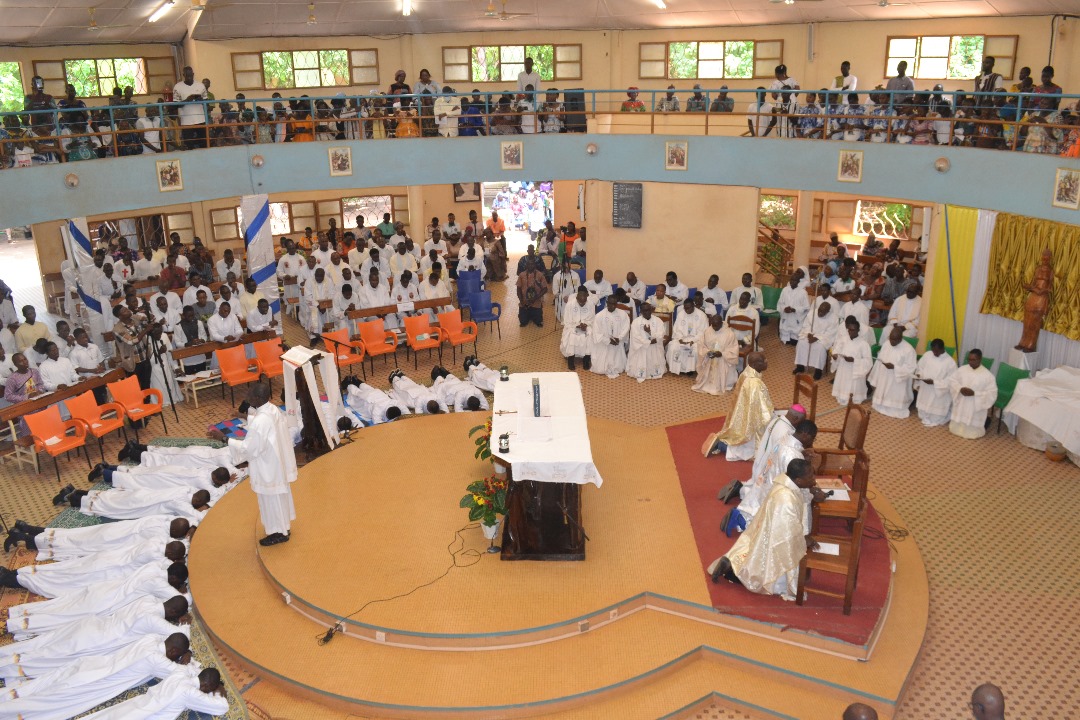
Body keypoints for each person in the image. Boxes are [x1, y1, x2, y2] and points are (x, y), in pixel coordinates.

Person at [0, 594, 188, 684]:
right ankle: (6, 666)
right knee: (44, 656)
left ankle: (5, 654)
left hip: (93, 624)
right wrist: (184, 622)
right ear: (172, 612)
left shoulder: (148, 599)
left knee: (41, 643)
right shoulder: (155, 621)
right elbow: (181, 636)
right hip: (96, 640)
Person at [0, 633, 193, 719]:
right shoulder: (156, 660)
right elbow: (182, 673)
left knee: (43, 684)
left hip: (90, 665)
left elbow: (166, 638)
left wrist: (180, 651)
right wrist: (186, 660)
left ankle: (8, 696)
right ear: (174, 650)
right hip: (90, 683)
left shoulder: (150, 639)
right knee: (45, 703)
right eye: (176, 654)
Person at [708, 458, 821, 601]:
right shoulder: (786, 500)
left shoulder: (786, 484)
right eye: (810, 476)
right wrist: (804, 539)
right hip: (776, 539)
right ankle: (733, 573)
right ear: (798, 480)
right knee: (769, 579)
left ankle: (732, 563)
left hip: (769, 532)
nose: (814, 479)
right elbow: (788, 533)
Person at [6, 560, 189, 639]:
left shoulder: (155, 567)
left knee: (60, 605)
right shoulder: (158, 584)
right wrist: (183, 591)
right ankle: (14, 624)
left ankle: (11, 584)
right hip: (103, 603)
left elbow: (169, 566)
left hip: (103, 589)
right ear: (172, 579)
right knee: (60, 616)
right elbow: (181, 600)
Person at [211, 382, 297, 545]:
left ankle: (277, 533)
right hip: (276, 462)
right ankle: (284, 527)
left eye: (250, 395)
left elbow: (248, 448)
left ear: (258, 398)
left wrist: (224, 438)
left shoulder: (260, 421)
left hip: (267, 467)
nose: (246, 397)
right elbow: (259, 421)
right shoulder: (273, 409)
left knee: (271, 500)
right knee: (278, 498)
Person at [702, 352, 773, 459]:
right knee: (752, 449)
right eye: (763, 360)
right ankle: (721, 445)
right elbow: (763, 413)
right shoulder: (755, 384)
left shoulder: (746, 372)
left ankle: (722, 441)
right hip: (750, 422)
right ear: (754, 364)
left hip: (742, 415)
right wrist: (772, 414)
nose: (766, 361)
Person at [868, 325, 918, 418]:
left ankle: (895, 409)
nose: (892, 342)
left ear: (900, 338)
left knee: (895, 397)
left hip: (898, 379)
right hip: (885, 375)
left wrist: (895, 368)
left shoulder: (908, 350)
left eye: (894, 340)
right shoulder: (887, 344)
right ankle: (881, 404)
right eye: (891, 339)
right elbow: (881, 358)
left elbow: (911, 368)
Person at [948, 349, 997, 439]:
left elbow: (992, 394)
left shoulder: (988, 375)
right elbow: (952, 380)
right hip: (962, 401)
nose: (970, 362)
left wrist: (975, 393)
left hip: (975, 404)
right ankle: (957, 428)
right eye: (969, 359)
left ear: (980, 359)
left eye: (973, 360)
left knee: (972, 432)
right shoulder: (962, 369)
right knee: (956, 426)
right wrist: (960, 389)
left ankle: (973, 430)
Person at [691, 314, 739, 395]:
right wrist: (707, 352)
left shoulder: (729, 334)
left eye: (716, 326)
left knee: (719, 363)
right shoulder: (708, 331)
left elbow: (733, 351)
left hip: (724, 359)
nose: (714, 328)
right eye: (713, 325)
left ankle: (722, 383)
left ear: (721, 323)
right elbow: (701, 345)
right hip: (709, 358)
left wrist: (722, 354)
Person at [915, 339, 957, 427]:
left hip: (939, 391)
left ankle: (936, 418)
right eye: (933, 350)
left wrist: (935, 382)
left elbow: (951, 381)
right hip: (925, 387)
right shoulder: (927, 355)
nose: (934, 353)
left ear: (942, 349)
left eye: (936, 351)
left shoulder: (950, 362)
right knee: (922, 413)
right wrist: (919, 375)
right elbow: (920, 367)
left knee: (936, 417)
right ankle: (924, 415)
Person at [830, 319, 873, 406]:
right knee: (843, 385)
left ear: (858, 330)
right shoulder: (843, 340)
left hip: (855, 370)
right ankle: (842, 396)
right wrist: (835, 356)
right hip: (843, 368)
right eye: (849, 329)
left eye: (853, 330)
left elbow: (868, 361)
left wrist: (854, 360)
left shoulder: (863, 344)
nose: (850, 332)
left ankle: (855, 398)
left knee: (853, 392)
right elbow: (837, 351)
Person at [793, 301, 838, 381]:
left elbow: (830, 333)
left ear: (827, 312)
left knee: (820, 348)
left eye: (822, 312)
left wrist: (817, 337)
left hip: (822, 340)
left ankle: (818, 371)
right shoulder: (812, 314)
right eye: (819, 310)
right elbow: (806, 325)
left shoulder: (833, 318)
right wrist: (808, 334)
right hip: (810, 335)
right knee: (801, 343)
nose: (819, 313)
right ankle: (800, 367)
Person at [589, 295, 630, 379]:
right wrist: (608, 340)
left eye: (614, 304)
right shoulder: (599, 316)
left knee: (619, 367)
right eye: (610, 304)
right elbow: (596, 333)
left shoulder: (623, 314)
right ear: (607, 303)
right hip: (604, 344)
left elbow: (626, 327)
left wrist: (620, 338)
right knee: (600, 369)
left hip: (618, 342)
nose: (612, 306)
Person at [627, 302, 666, 382]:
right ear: (641, 312)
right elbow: (635, 337)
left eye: (648, 310)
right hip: (641, 348)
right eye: (644, 311)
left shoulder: (658, 321)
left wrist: (650, 333)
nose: (647, 312)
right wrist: (648, 342)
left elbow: (661, 333)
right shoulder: (636, 322)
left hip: (655, 347)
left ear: (651, 310)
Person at [668, 298, 707, 375]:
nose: (686, 310)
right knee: (672, 347)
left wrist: (693, 341)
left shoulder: (701, 315)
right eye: (685, 308)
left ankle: (690, 369)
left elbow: (703, 332)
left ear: (693, 306)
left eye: (688, 308)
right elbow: (676, 329)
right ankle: (677, 368)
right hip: (682, 338)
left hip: (695, 340)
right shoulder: (681, 314)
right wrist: (680, 339)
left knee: (695, 350)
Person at [560, 287, 595, 370]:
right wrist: (577, 325)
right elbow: (567, 321)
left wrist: (585, 325)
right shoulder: (570, 304)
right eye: (580, 302)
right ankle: (570, 359)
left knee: (589, 334)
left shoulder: (591, 304)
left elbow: (592, 319)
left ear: (587, 298)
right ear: (576, 298)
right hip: (572, 326)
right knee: (572, 335)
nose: (582, 304)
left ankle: (586, 359)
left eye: (584, 302)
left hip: (586, 326)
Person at [777, 274, 809, 345]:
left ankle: (794, 339)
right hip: (786, 316)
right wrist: (784, 308)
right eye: (791, 280)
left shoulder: (803, 292)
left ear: (798, 281)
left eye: (795, 280)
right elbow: (780, 303)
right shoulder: (785, 290)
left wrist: (795, 310)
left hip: (796, 318)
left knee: (794, 341)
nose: (792, 282)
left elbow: (806, 308)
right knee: (785, 339)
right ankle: (786, 338)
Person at [516, 258, 548, 328]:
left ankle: (533, 315)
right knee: (523, 322)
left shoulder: (540, 275)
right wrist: (521, 301)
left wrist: (536, 297)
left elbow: (545, 289)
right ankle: (526, 315)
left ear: (535, 265)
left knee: (538, 321)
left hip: (536, 303)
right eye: (529, 264)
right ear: (526, 266)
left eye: (532, 264)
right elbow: (518, 289)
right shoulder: (521, 275)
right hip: (524, 303)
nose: (531, 266)